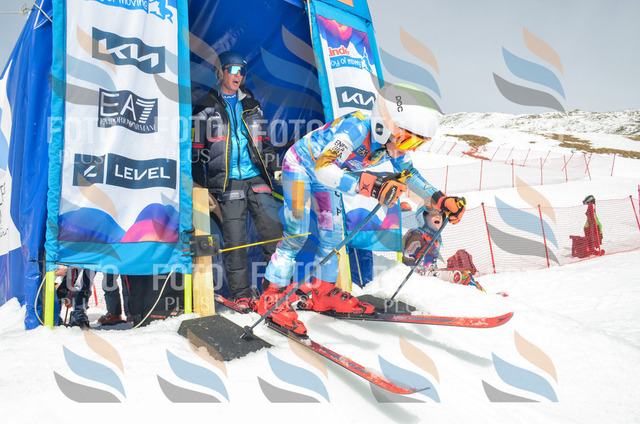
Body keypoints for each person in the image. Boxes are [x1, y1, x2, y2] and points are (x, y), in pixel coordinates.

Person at [256, 84, 466, 337]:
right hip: (301, 166)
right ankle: (272, 296)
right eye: (407, 139)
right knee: (296, 234)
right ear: (384, 125)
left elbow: (409, 173)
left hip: (329, 176)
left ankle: (323, 292)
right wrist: (371, 186)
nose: (408, 148)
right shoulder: (355, 128)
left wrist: (440, 199)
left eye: (417, 143)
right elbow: (323, 167)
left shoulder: (393, 144)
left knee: (333, 237)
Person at [192, 51, 283, 311]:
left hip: (256, 176)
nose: (238, 75)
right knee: (235, 241)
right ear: (220, 72)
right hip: (226, 182)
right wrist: (200, 188)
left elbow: (264, 143)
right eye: (232, 69)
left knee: (274, 234)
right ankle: (241, 295)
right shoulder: (204, 107)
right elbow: (196, 153)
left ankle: (276, 291)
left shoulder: (252, 105)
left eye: (241, 71)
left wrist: (275, 168)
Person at [402, 206, 484, 291]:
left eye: (441, 214)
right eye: (433, 214)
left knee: (465, 272)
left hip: (431, 272)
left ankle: (481, 294)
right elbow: (407, 259)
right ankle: (480, 296)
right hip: (421, 276)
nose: (438, 216)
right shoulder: (417, 234)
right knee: (462, 276)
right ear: (423, 217)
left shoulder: (434, 237)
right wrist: (413, 281)